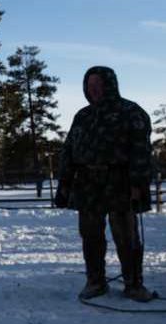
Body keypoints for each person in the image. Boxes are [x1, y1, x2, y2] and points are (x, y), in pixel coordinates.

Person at [55, 66, 154, 302]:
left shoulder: (131, 112)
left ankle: (134, 284)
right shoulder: (83, 116)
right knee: (90, 235)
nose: (94, 90)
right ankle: (95, 281)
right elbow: (68, 151)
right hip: (87, 183)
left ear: (110, 85)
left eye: (98, 85)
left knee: (126, 236)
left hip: (120, 181)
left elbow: (141, 151)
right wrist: (65, 183)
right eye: (90, 86)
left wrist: (138, 183)